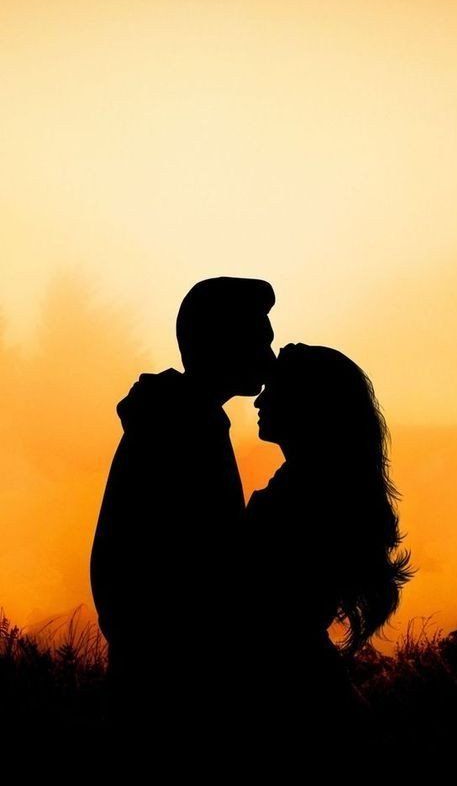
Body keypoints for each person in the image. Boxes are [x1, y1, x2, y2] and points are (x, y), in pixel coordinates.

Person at [89, 276, 276, 751]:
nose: (269, 359)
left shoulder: (181, 420)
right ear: (222, 342)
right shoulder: (180, 429)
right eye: (260, 340)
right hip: (172, 692)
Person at [241, 343, 416, 765]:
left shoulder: (303, 499)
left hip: (292, 701)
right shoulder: (322, 490)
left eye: (275, 390)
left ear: (310, 404)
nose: (260, 400)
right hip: (309, 690)